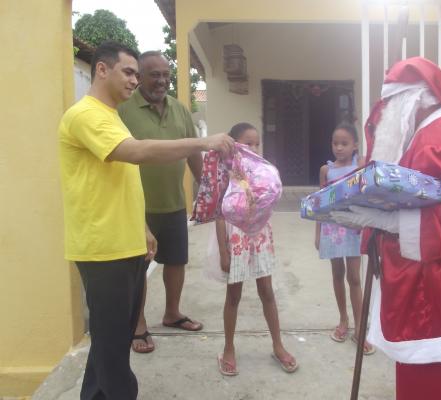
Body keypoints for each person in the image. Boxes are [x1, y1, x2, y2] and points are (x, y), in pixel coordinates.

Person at [58, 41, 233, 400]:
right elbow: (135, 153)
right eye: (129, 72)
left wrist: (141, 227)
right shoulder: (85, 115)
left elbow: (120, 179)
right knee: (113, 351)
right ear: (102, 70)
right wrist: (202, 143)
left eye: (137, 74)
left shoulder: (110, 115)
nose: (135, 81)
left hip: (125, 242)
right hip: (102, 249)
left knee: (112, 343)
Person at [331, 57, 441, 400]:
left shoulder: (437, 136)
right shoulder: (433, 129)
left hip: (434, 291)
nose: (383, 115)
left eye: (389, 105)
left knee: (429, 387)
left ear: (412, 100)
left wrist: (381, 220)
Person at [119, 51, 203, 354]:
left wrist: (205, 187)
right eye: (155, 74)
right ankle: (138, 324)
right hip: (137, 208)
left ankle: (172, 313)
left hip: (174, 202)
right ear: (140, 76)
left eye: (166, 74)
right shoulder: (124, 109)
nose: (162, 80)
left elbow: (193, 151)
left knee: (177, 261)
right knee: (138, 269)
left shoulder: (180, 110)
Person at [215, 122, 298, 376]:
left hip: (260, 235)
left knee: (267, 291)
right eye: (247, 143)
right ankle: (228, 348)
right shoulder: (225, 170)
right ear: (234, 144)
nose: (253, 148)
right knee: (234, 295)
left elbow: (269, 199)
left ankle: (278, 345)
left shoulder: (263, 169)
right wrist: (223, 250)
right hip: (235, 237)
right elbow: (219, 212)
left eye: (256, 143)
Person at [314, 122, 374, 355]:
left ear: (355, 145)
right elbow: (319, 202)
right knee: (337, 275)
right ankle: (343, 320)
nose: (339, 148)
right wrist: (318, 232)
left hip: (353, 228)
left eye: (344, 143)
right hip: (331, 228)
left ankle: (360, 328)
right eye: (335, 143)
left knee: (355, 278)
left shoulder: (360, 166)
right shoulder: (325, 170)